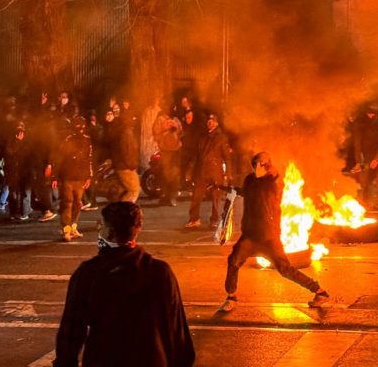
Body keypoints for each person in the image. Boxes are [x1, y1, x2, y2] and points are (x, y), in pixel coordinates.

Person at [54, 201, 195, 367]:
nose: (100, 230)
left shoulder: (90, 273)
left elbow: (71, 329)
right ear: (137, 229)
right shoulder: (160, 271)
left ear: (110, 232)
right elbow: (176, 327)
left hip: (103, 359)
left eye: (102, 226)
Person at [217, 152, 330, 312]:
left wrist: (270, 171)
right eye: (257, 162)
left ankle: (320, 292)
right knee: (234, 260)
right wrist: (221, 187)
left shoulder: (270, 183)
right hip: (250, 236)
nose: (258, 166)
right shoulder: (249, 180)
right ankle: (231, 297)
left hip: (268, 237)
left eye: (262, 163)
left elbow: (267, 192)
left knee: (286, 270)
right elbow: (245, 192)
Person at [186, 114, 232, 228]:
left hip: (215, 171)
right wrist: (190, 170)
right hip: (202, 170)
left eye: (212, 121)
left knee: (216, 197)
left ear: (217, 123)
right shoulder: (203, 136)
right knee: (196, 195)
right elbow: (197, 155)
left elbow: (227, 157)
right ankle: (194, 219)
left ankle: (214, 220)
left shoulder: (221, 138)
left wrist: (228, 173)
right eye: (209, 120)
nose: (210, 122)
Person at [52, 116, 93, 242]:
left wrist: (89, 176)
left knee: (78, 203)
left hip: (80, 178)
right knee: (67, 203)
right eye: (78, 125)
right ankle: (66, 230)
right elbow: (59, 158)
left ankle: (73, 227)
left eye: (82, 125)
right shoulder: (67, 140)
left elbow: (89, 159)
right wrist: (55, 176)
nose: (80, 128)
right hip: (67, 177)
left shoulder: (87, 140)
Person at [153, 110, 183, 206]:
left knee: (175, 174)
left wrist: (176, 132)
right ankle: (164, 196)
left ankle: (172, 197)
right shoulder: (160, 120)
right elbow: (156, 135)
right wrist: (166, 132)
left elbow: (181, 132)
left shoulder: (176, 120)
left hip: (176, 150)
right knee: (165, 174)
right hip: (165, 151)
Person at [113, 113, 141, 202]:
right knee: (134, 190)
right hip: (125, 167)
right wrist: (133, 165)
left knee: (123, 191)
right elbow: (128, 152)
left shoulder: (121, 131)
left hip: (120, 165)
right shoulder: (127, 134)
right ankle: (125, 208)